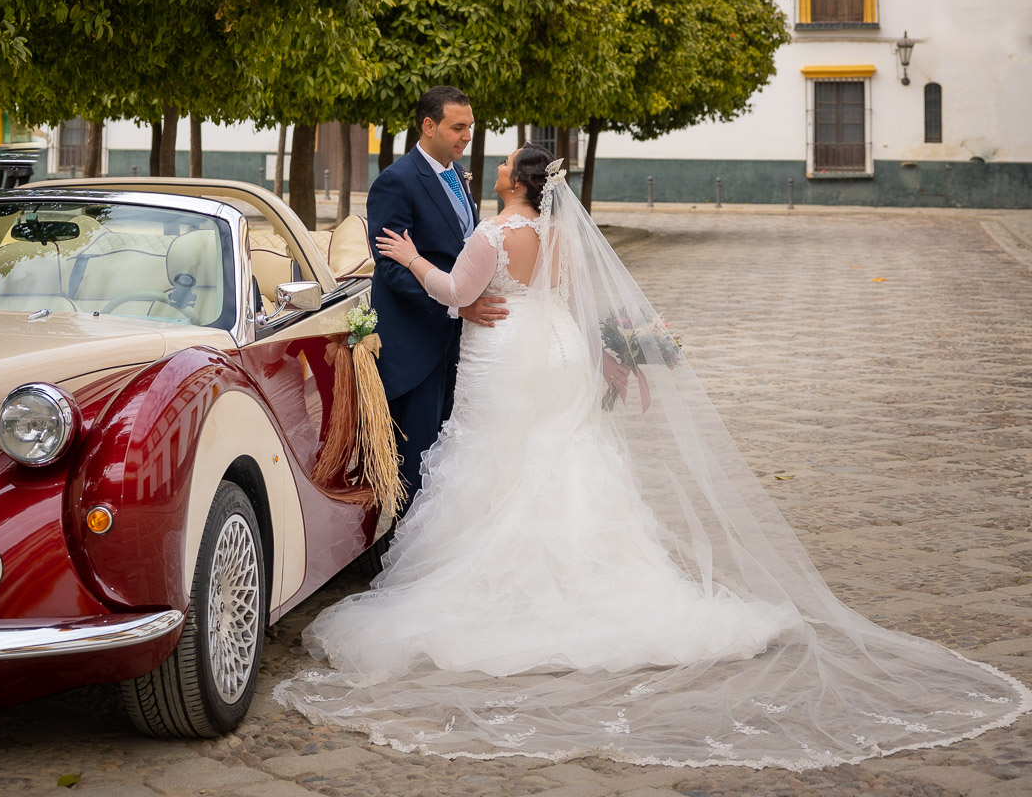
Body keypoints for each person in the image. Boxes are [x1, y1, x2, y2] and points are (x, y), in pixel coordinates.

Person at [276, 147, 1030, 770]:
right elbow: (576, 305)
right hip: (558, 354)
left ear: (517, 184)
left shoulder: (493, 235)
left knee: (496, 457)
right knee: (560, 456)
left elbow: (453, 292)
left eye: (505, 164)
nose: (495, 165)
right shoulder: (560, 238)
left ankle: (506, 578)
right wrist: (607, 357)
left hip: (503, 357)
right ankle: (593, 573)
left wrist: (411, 256)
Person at [365, 85, 506, 508]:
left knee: (448, 453)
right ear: (428, 126)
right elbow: (390, 268)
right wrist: (455, 305)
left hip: (457, 342)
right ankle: (403, 543)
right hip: (416, 344)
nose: (467, 136)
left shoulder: (458, 177)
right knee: (417, 459)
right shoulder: (396, 181)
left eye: (470, 127)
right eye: (458, 127)